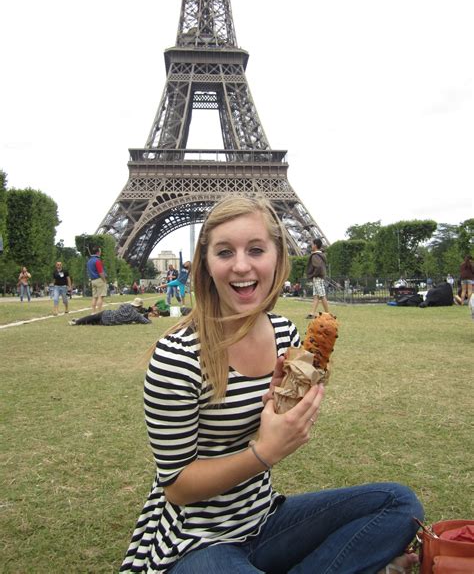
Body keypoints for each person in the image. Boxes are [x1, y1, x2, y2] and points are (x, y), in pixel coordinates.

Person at [120, 195, 423, 574]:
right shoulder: (177, 356)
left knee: (400, 503)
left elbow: (272, 420)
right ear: (206, 264)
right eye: (225, 252)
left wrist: (285, 405)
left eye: (256, 249)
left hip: (264, 520)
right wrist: (265, 453)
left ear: (278, 258)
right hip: (194, 542)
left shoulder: (285, 333)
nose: (242, 265)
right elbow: (178, 487)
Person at [69, 297, 151, 326]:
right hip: (108, 322)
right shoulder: (137, 316)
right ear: (140, 306)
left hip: (107, 314)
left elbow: (119, 309)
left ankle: (77, 321)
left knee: (92, 317)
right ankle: (78, 321)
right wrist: (145, 317)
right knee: (93, 322)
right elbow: (147, 322)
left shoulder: (126, 305)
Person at [306, 238, 329, 319]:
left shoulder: (315, 256)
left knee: (322, 295)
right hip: (318, 277)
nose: (311, 246)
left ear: (315, 245)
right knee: (316, 296)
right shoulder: (320, 255)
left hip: (317, 277)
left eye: (312, 244)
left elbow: (318, 266)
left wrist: (313, 274)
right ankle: (312, 313)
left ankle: (328, 314)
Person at [87, 246, 107, 313]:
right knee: (100, 297)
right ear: (98, 252)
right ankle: (99, 312)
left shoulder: (89, 261)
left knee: (94, 297)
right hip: (99, 279)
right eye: (100, 251)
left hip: (93, 280)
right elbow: (100, 272)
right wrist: (104, 280)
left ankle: (93, 312)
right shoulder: (97, 261)